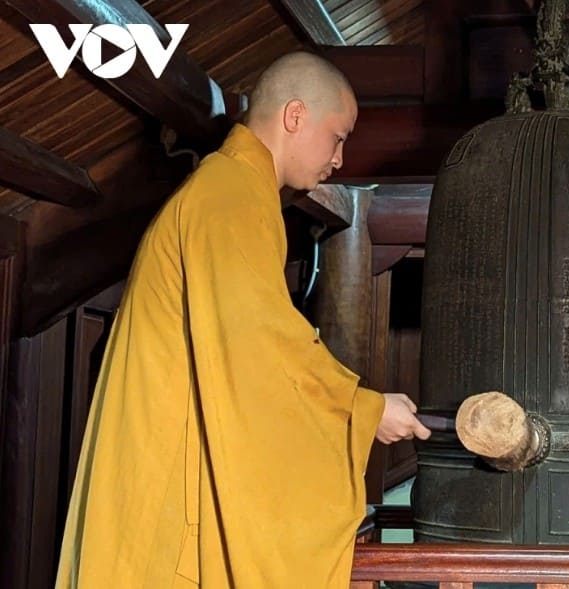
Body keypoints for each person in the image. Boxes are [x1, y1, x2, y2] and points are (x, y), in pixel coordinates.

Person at [55, 52, 431, 588]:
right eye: (338, 136)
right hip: (170, 489)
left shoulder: (233, 192)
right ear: (295, 116)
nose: (340, 159)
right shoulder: (227, 196)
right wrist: (360, 409)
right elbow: (260, 348)